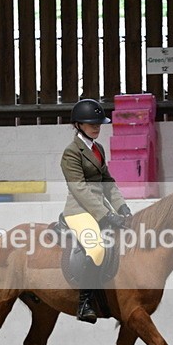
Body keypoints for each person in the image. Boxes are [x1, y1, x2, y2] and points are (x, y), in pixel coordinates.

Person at [61, 98, 132, 323]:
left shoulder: (98, 148)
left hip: (101, 208)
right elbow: (80, 189)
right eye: (91, 123)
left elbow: (107, 181)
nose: (96, 127)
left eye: (98, 123)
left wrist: (122, 207)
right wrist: (106, 215)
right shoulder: (71, 152)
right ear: (78, 125)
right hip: (79, 211)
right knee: (97, 249)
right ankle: (85, 304)